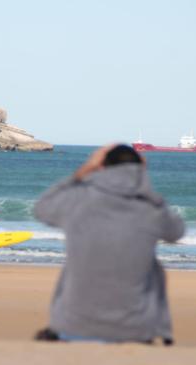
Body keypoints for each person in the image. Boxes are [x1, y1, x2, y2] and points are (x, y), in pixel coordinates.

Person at [33, 144, 184, 344]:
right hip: (136, 331)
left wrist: (84, 170)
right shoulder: (149, 208)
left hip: (73, 326)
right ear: (141, 168)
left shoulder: (79, 199)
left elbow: (42, 208)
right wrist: (145, 184)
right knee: (155, 267)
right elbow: (176, 232)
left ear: (101, 167)